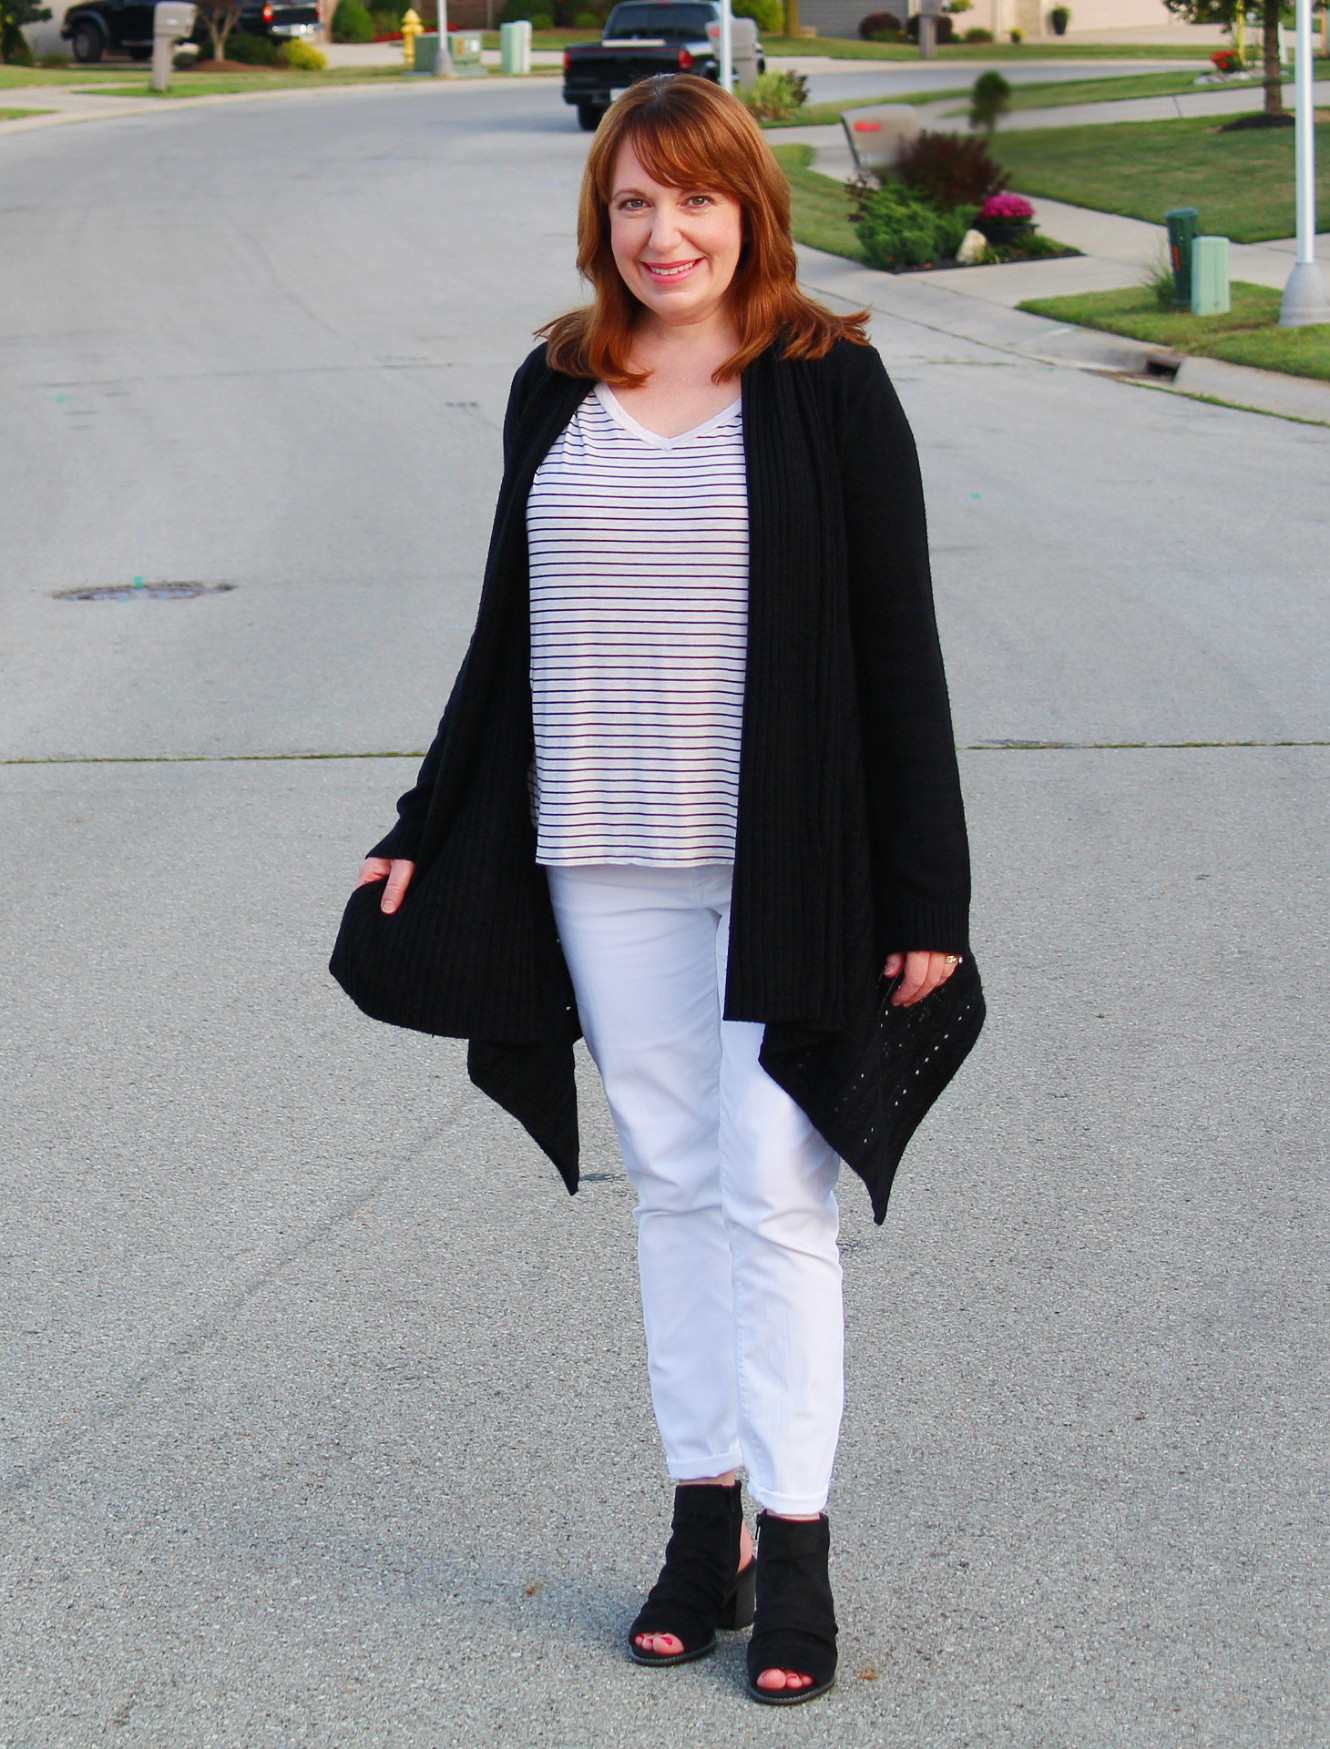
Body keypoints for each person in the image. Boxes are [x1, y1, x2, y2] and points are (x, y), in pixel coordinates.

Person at [347, 74, 971, 1707]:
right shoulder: (557, 383)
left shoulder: (831, 382)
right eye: (633, 203)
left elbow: (899, 651)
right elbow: (505, 632)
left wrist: (930, 895)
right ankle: (707, 1527)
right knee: (676, 1185)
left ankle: (801, 1541)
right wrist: (425, 815)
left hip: (792, 868)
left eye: (693, 199)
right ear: (600, 220)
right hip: (599, 861)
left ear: (748, 207)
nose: (663, 231)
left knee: (775, 1189)